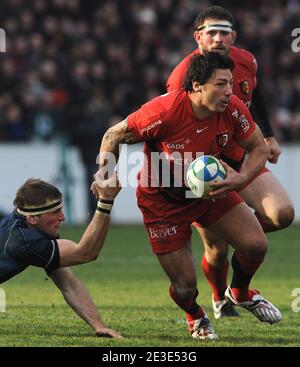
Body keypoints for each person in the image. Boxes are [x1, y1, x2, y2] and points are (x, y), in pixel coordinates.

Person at [96, 52, 281, 341]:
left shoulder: (232, 109)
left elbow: (258, 148)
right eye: (221, 84)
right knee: (184, 288)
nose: (230, 91)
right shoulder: (163, 112)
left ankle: (241, 293)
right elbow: (113, 135)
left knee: (256, 245)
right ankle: (196, 315)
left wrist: (242, 178)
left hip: (209, 193)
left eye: (231, 83)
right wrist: (106, 174)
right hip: (163, 203)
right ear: (197, 86)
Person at [166, 5, 294, 319]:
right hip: (203, 164)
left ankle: (237, 288)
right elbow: (171, 125)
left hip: (238, 153)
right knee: (217, 249)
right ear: (198, 37)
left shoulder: (246, 60)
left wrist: (268, 135)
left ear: (233, 36)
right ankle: (219, 298)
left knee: (282, 214)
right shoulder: (183, 75)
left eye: (225, 32)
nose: (219, 38)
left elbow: (256, 94)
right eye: (212, 32)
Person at [0, 175, 123, 339]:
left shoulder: (27, 224)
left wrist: (100, 327)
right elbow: (86, 252)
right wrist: (105, 202)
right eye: (55, 212)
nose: (62, 217)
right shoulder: (25, 242)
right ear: (33, 218)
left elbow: (69, 284)